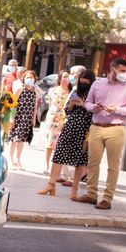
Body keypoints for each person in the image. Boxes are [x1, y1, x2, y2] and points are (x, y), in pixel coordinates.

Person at [75, 58, 126, 210]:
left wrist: (117, 110)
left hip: (115, 128)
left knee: (113, 165)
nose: (124, 74)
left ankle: (107, 198)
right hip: (96, 126)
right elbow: (88, 103)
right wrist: (94, 107)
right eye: (122, 71)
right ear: (112, 69)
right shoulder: (97, 84)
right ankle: (91, 194)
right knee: (92, 163)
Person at [37, 70, 95, 199]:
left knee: (81, 160)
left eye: (87, 80)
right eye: (82, 79)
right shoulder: (75, 92)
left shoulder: (94, 95)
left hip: (85, 130)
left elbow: (95, 112)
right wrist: (72, 105)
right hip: (70, 127)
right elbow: (67, 112)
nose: (84, 82)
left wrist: (84, 104)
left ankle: (74, 190)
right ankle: (51, 185)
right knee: (59, 155)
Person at [41, 70, 71, 173]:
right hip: (53, 119)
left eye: (68, 77)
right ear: (60, 78)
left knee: (61, 145)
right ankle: (46, 165)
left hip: (65, 120)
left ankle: (59, 168)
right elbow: (50, 105)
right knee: (50, 143)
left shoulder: (71, 92)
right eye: (64, 76)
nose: (66, 79)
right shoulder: (52, 90)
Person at [9, 70, 38, 170]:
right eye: (27, 77)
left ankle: (18, 159)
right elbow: (13, 103)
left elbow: (35, 106)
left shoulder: (35, 91)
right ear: (23, 78)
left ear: (35, 79)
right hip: (18, 117)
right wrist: (12, 118)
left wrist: (34, 118)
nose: (29, 79)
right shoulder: (20, 89)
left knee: (21, 141)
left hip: (27, 119)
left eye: (31, 77)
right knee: (14, 139)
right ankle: (12, 160)